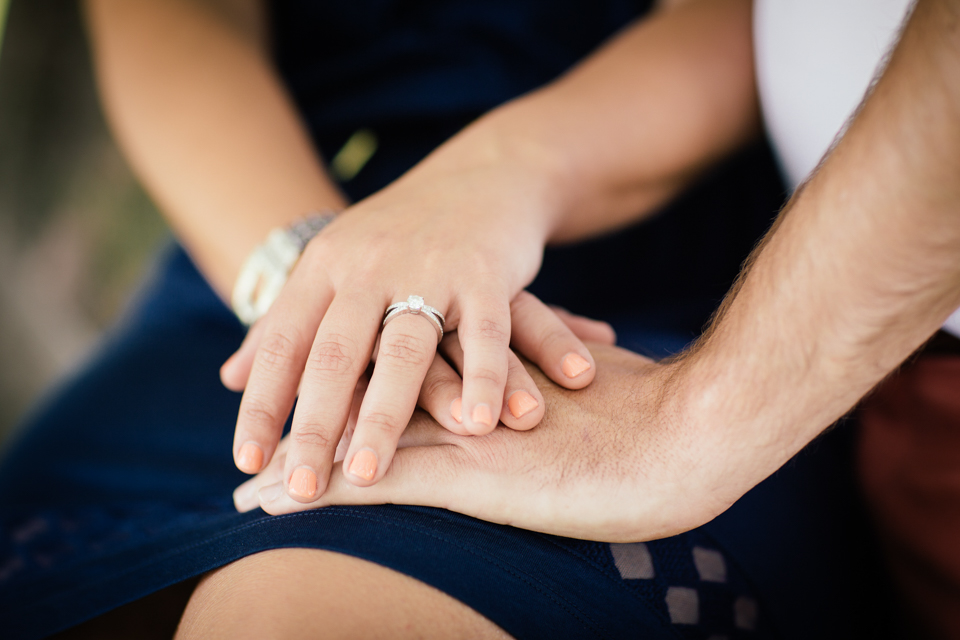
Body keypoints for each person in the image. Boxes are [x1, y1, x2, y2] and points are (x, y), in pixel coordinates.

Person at [0, 0, 955, 638]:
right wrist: (320, 282)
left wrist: (495, 182)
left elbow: (771, 21)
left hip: (699, 299)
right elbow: (171, 24)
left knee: (304, 614)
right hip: (269, 254)